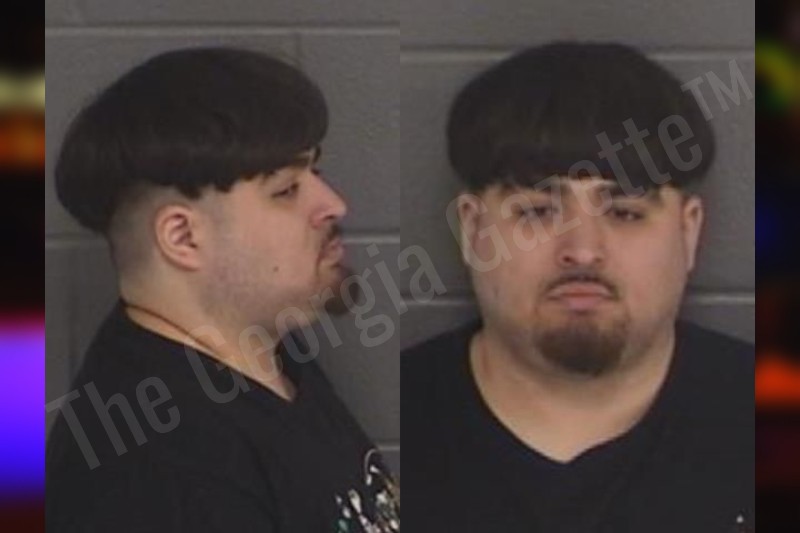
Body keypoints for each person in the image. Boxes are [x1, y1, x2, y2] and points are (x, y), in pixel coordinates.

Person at [402, 42, 753, 532]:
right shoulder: (398, 422)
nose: (583, 250)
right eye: (538, 211)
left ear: (688, 231)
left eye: (625, 213)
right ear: (474, 230)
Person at [46, 47, 400, 532]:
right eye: (286, 189)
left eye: (314, 172)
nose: (334, 204)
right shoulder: (160, 474)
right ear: (183, 237)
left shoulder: (262, 353)